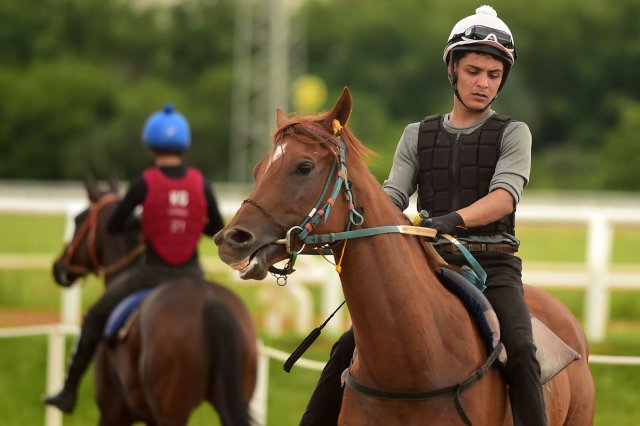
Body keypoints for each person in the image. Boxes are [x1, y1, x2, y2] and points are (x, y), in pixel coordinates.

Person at [300, 5, 546, 426]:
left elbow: (504, 198)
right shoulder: (417, 134)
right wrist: (363, 218)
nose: (483, 83)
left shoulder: (513, 133)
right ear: (452, 69)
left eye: (493, 75)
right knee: (345, 348)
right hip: (429, 264)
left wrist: (450, 220)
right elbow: (392, 196)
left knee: (522, 352)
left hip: (493, 266)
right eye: (473, 71)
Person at [43, 103, 225, 413]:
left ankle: (68, 391)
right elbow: (215, 229)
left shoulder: (145, 182)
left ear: (150, 146)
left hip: (152, 274)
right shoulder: (200, 182)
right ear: (184, 146)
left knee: (95, 316)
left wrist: (147, 220)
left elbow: (115, 225)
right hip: (193, 276)